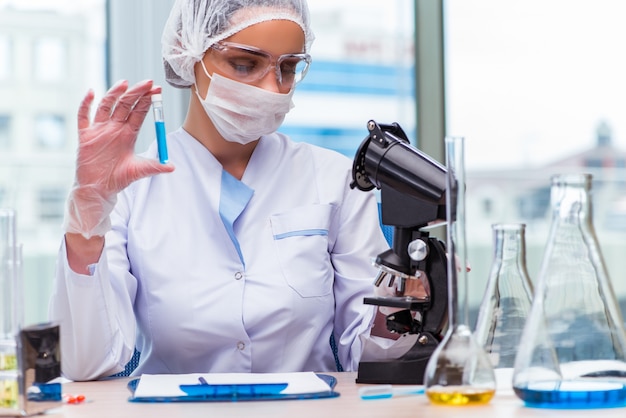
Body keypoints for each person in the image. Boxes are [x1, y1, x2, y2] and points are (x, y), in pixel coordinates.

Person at [49, 0, 418, 381]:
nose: (273, 88)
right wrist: (87, 220)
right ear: (187, 54)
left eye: (288, 68)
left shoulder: (334, 179)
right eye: (245, 64)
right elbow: (87, 363)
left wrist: (409, 302)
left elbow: (369, 354)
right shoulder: (130, 190)